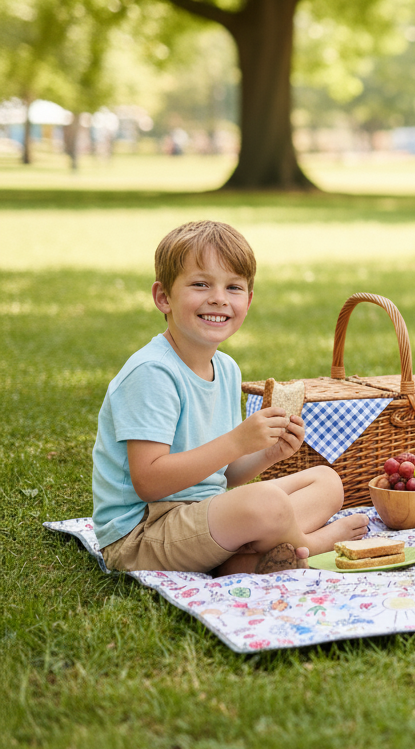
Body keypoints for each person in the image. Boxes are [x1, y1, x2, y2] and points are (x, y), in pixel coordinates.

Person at [92, 220, 368, 576]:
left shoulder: (226, 369)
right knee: (266, 503)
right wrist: (237, 440)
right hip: (143, 534)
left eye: (233, 287)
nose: (219, 298)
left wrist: (268, 452)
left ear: (248, 301)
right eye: (200, 284)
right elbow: (149, 481)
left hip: (205, 512)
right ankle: (310, 544)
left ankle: (239, 559)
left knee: (325, 481)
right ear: (163, 297)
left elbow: (222, 475)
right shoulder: (152, 372)